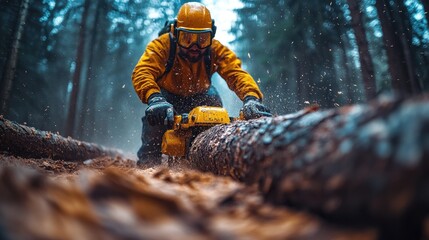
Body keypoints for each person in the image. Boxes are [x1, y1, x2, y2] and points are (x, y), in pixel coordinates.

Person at [132, 2, 271, 164]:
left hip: (202, 97)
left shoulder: (216, 50)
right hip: (166, 98)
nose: (195, 46)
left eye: (202, 39)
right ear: (176, 33)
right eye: (187, 38)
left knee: (214, 108)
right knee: (154, 122)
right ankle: (149, 163)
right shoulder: (162, 46)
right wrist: (154, 98)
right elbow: (143, 71)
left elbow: (236, 73)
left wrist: (251, 97)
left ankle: (209, 156)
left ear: (211, 36)